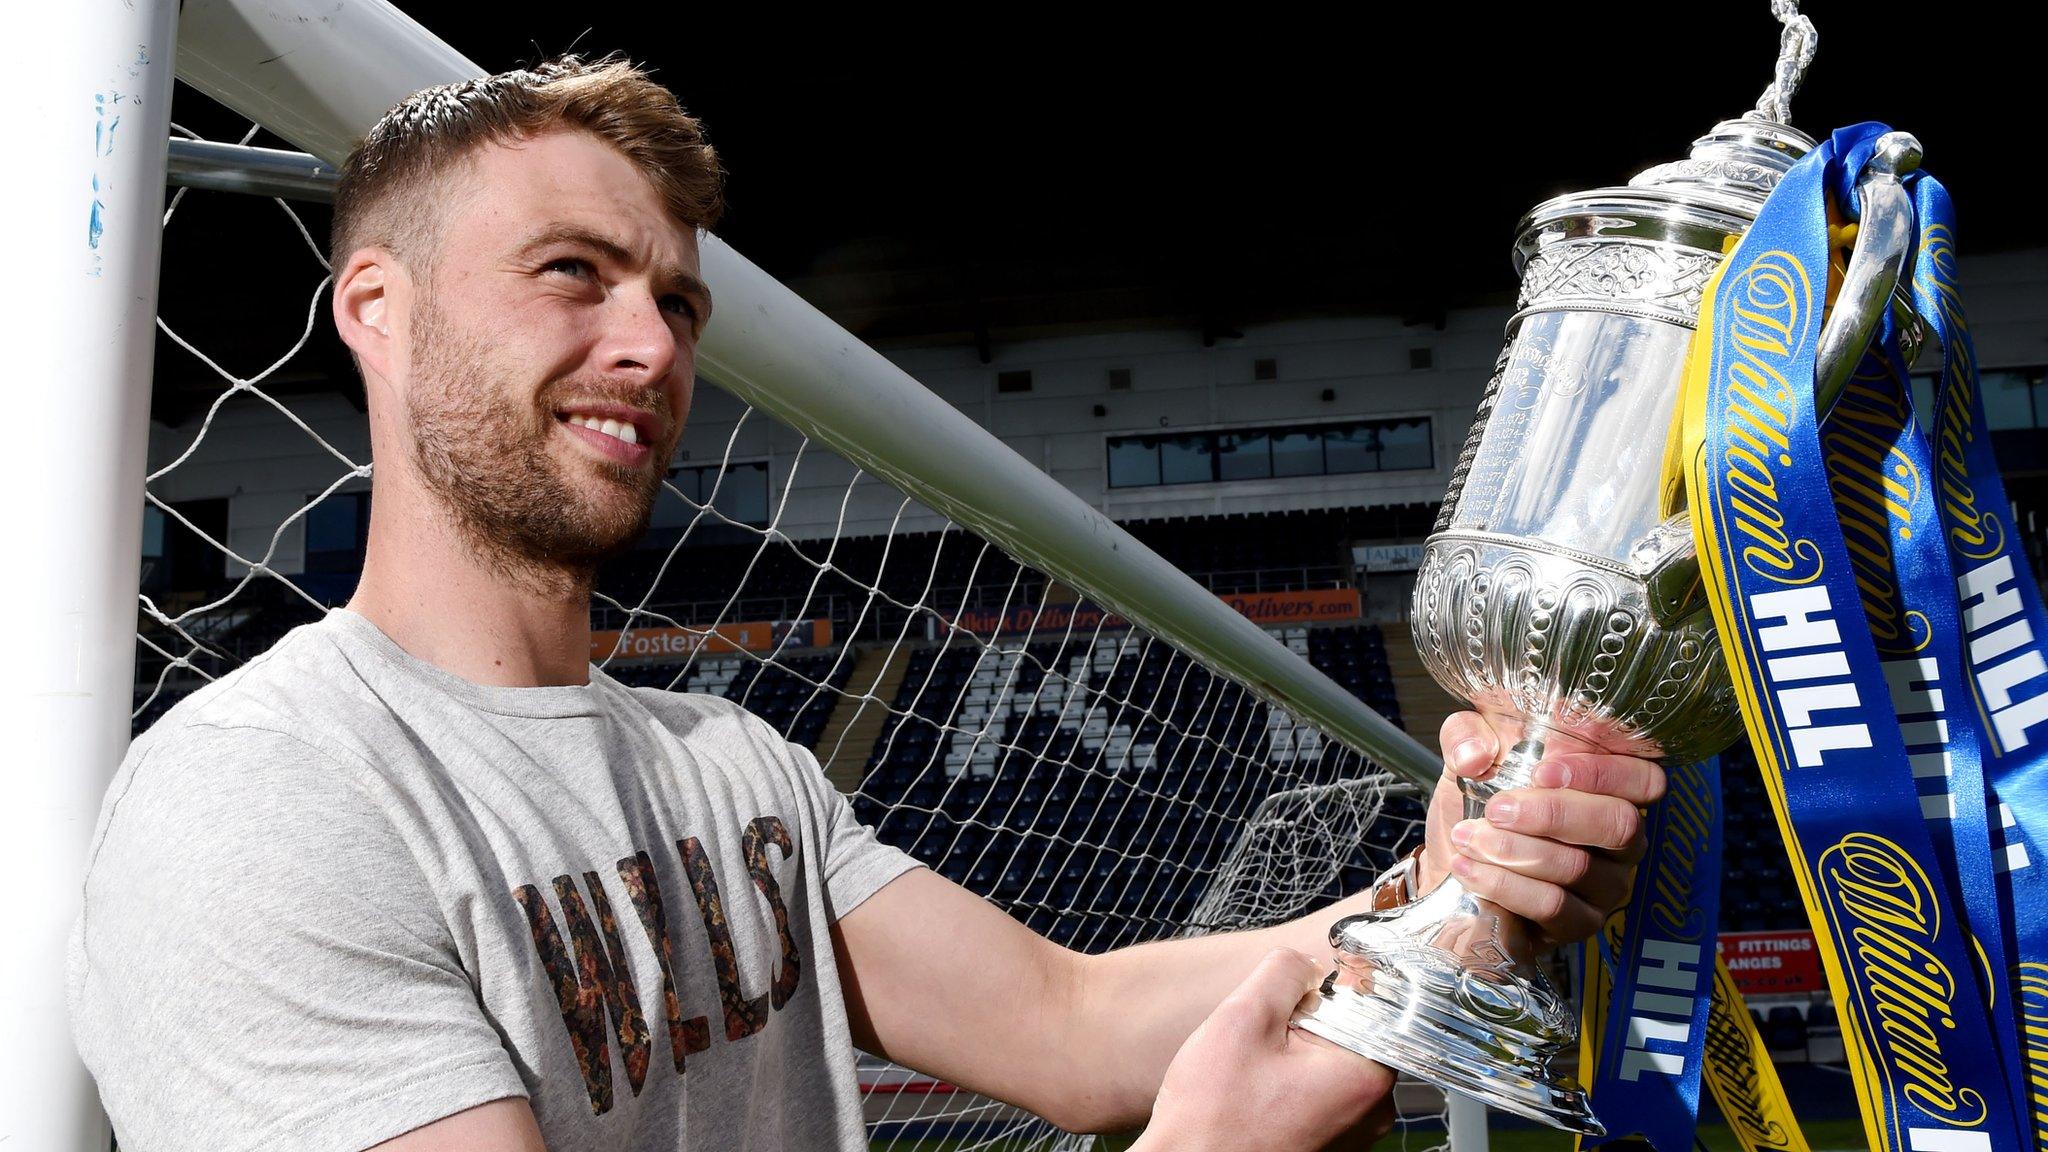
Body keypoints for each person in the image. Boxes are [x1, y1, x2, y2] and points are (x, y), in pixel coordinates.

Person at [68, 58, 1665, 1152]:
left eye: (676, 299)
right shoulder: (259, 803)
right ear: (378, 307)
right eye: (571, 271)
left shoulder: (728, 758)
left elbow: (1070, 1020)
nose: (651, 345)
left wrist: (1437, 893)